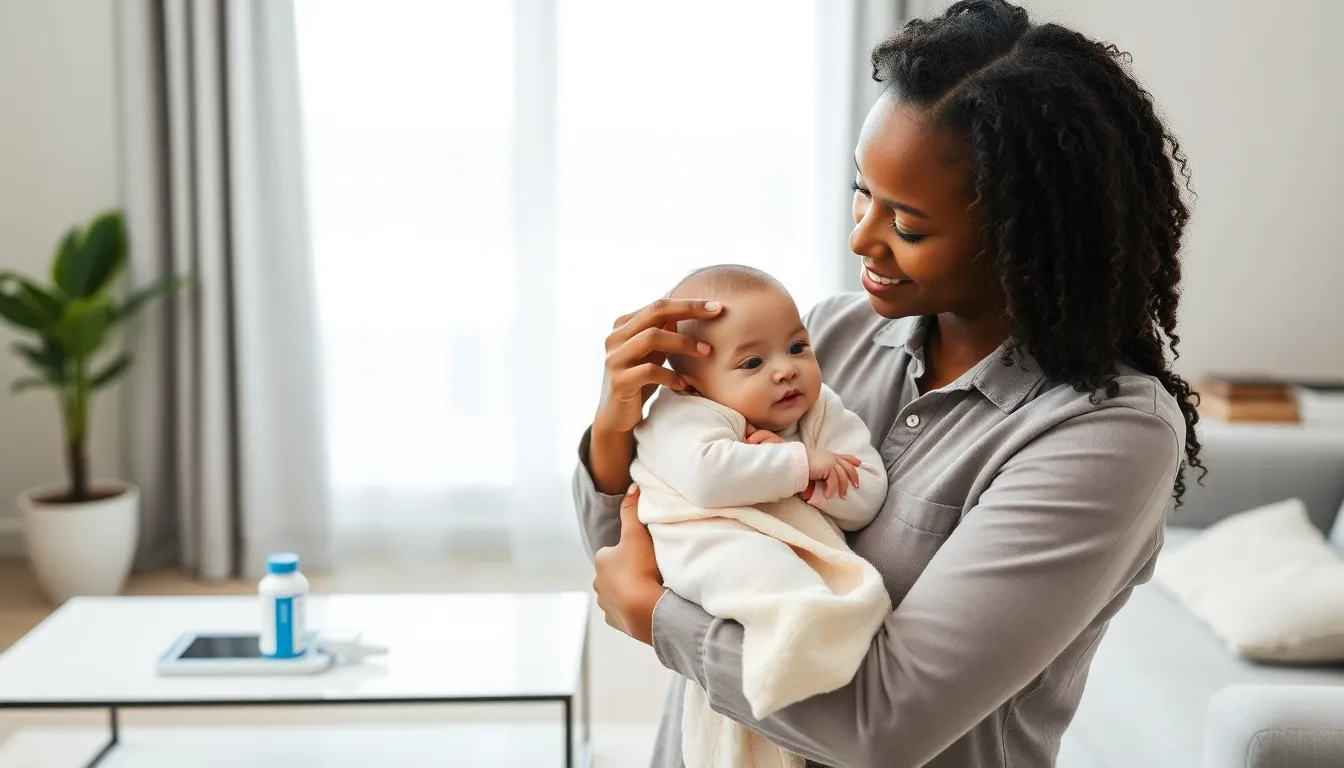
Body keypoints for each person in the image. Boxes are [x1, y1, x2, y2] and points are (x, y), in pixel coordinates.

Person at [573, 1, 1204, 766]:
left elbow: (886, 723)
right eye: (861, 190)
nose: (861, 236)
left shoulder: (1106, 434)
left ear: (1022, 239)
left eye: (908, 225)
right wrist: (617, 429)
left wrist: (657, 620)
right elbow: (640, 552)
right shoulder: (825, 339)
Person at [632, 264, 890, 768]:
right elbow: (708, 479)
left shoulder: (821, 411)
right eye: (751, 362)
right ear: (690, 382)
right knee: (757, 573)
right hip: (702, 538)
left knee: (796, 576)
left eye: (797, 347)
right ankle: (794, 643)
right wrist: (797, 465)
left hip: (781, 540)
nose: (785, 369)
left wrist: (817, 484)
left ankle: (812, 649)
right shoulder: (681, 414)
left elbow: (869, 496)